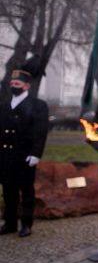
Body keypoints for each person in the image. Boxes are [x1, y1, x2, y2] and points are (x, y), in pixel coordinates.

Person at [0, 57, 49, 238]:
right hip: (5, 155)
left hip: (25, 155)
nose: (14, 85)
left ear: (27, 86)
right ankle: (10, 222)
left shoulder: (38, 106)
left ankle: (26, 224)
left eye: (17, 83)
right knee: (8, 191)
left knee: (26, 191)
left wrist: (36, 153)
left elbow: (41, 131)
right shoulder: (4, 107)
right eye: (12, 82)